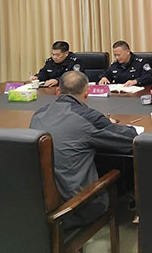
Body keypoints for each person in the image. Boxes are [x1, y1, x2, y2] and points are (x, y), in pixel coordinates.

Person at [30, 71, 138, 228]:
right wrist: (109, 124)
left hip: (41, 205)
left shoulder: (38, 114)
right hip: (77, 207)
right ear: (86, 93)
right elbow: (130, 139)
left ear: (58, 91)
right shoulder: (88, 117)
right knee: (123, 165)